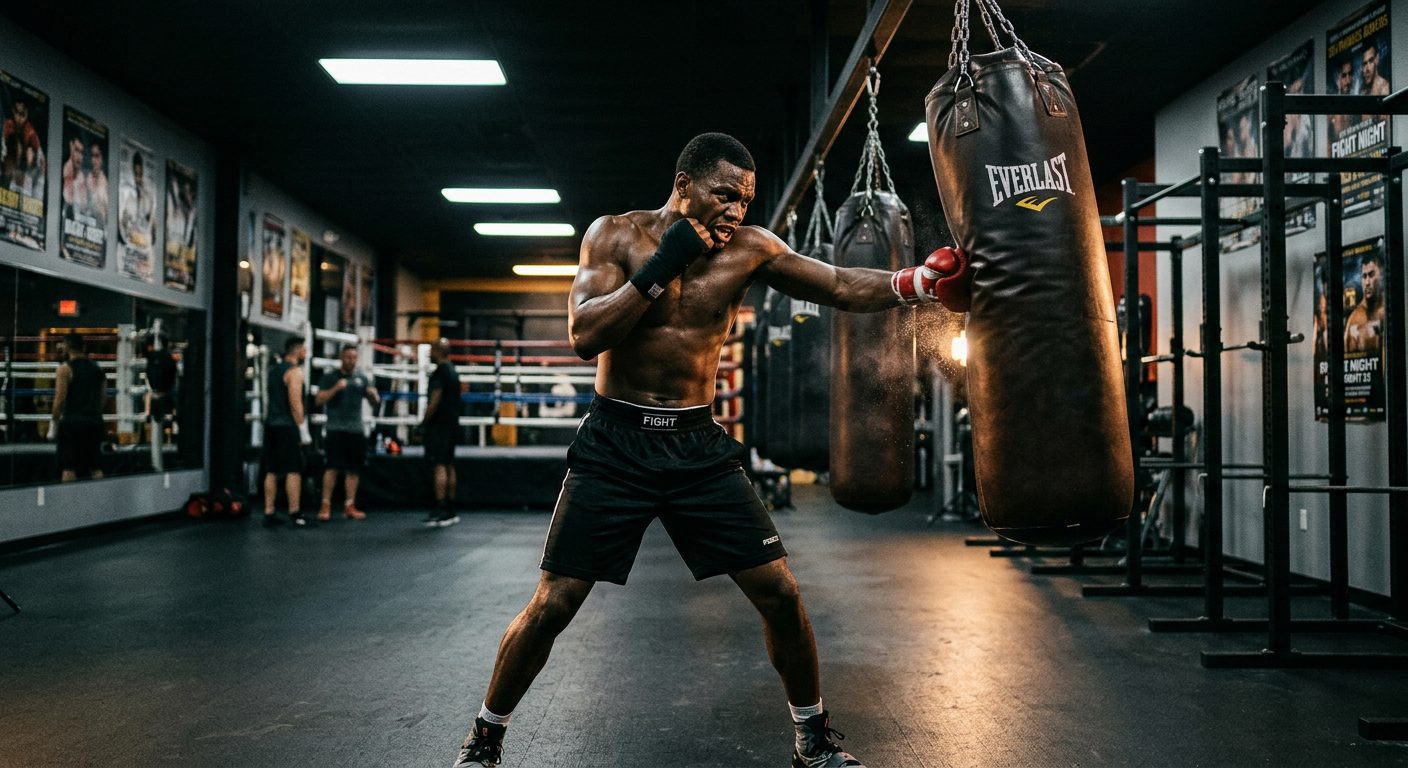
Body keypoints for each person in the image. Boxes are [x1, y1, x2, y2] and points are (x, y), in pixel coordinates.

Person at [451, 133, 964, 768]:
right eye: (724, 196)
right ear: (684, 183)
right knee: (556, 600)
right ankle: (485, 737)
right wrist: (660, 267)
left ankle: (812, 737)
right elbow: (585, 334)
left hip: (697, 445)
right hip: (617, 441)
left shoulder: (749, 250)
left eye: (745, 200)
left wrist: (914, 282)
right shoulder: (614, 236)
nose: (735, 212)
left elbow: (834, 283)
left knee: (779, 592)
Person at [316, 344, 380, 521]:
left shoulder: (362, 378)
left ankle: (349, 505)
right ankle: (325, 504)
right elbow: (319, 400)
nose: (351, 361)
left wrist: (373, 396)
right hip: (335, 428)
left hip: (355, 429)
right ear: (341, 358)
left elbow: (375, 403)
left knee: (353, 469)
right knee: (332, 468)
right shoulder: (330, 377)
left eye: (354, 357)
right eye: (347, 357)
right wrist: (335, 388)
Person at [262, 337, 310, 527]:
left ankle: (269, 511)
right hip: (287, 425)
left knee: (272, 469)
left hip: (271, 423)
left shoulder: (273, 371)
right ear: (297, 351)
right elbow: (295, 402)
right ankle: (295, 513)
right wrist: (302, 429)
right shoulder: (295, 372)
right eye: (304, 350)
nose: (305, 354)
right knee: (293, 469)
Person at [51, 333, 107, 482]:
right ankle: (100, 501)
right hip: (94, 421)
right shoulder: (98, 369)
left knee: (69, 468)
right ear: (84, 347)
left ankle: (68, 504)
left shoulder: (65, 369)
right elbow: (103, 399)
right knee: (95, 467)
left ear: (67, 346)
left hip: (72, 422)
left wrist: (54, 422)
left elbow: (59, 399)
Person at [421, 338, 462, 527]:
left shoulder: (439, 373)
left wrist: (423, 422)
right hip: (452, 423)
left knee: (439, 465)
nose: (429, 353)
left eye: (432, 349)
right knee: (448, 464)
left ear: (438, 350)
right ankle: (451, 508)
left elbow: (435, 400)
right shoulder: (453, 372)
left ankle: (440, 508)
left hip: (439, 425)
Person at [1345, 250, 1387, 355]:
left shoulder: (1390, 308)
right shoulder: (1355, 319)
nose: (1367, 282)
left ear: (1381, 276)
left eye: (1371, 275)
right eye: (1364, 277)